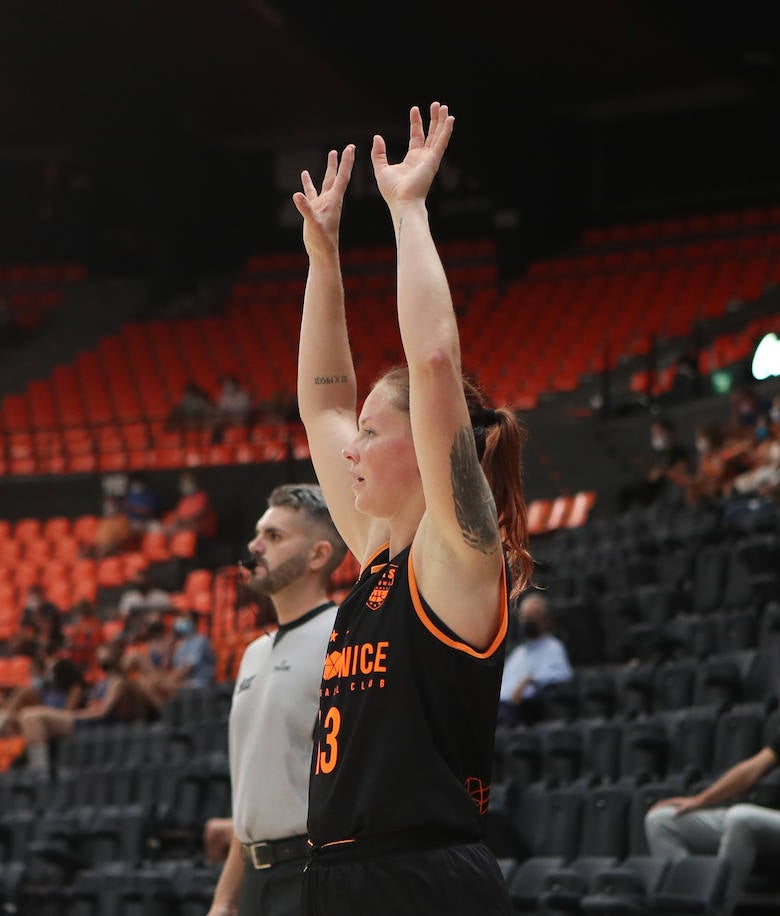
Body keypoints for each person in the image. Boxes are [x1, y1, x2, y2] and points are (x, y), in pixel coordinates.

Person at [291, 104, 531, 914]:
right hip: (335, 874)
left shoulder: (460, 554)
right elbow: (322, 405)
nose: (348, 448)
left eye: (371, 432)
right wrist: (323, 259)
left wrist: (407, 210)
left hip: (422, 879)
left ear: (424, 447)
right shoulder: (375, 552)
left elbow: (432, 361)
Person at [208, 484, 347, 916]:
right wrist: (225, 898)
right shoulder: (253, 654)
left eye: (274, 536)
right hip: (254, 879)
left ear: (318, 555)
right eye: (257, 534)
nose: (254, 546)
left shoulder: (343, 637)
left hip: (315, 874)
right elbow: (250, 797)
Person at [645, 647, 780, 912]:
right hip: (772, 821)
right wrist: (699, 800)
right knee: (662, 821)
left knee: (742, 817)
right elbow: (751, 770)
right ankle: (687, 905)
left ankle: (716, 909)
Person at [17, 642, 159, 775]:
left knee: (34, 717)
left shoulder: (118, 682)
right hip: (87, 718)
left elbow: (102, 712)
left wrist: (75, 715)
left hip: (96, 724)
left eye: (103, 655)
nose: (99, 658)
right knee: (26, 715)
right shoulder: (103, 681)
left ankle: (41, 771)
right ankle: (38, 767)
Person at [498, 592, 573, 725]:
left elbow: (563, 673)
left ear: (545, 620)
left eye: (531, 619)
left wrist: (530, 679)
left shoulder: (553, 647)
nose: (526, 623)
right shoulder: (519, 652)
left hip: (523, 710)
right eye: (524, 618)